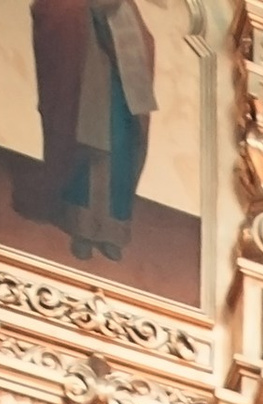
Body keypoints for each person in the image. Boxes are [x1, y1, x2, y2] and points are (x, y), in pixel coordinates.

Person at [31, 0, 159, 267]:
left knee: (120, 153)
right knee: (87, 150)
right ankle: (82, 229)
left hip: (120, 87)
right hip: (88, 78)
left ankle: (112, 231)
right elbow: (48, 12)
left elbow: (144, 39)